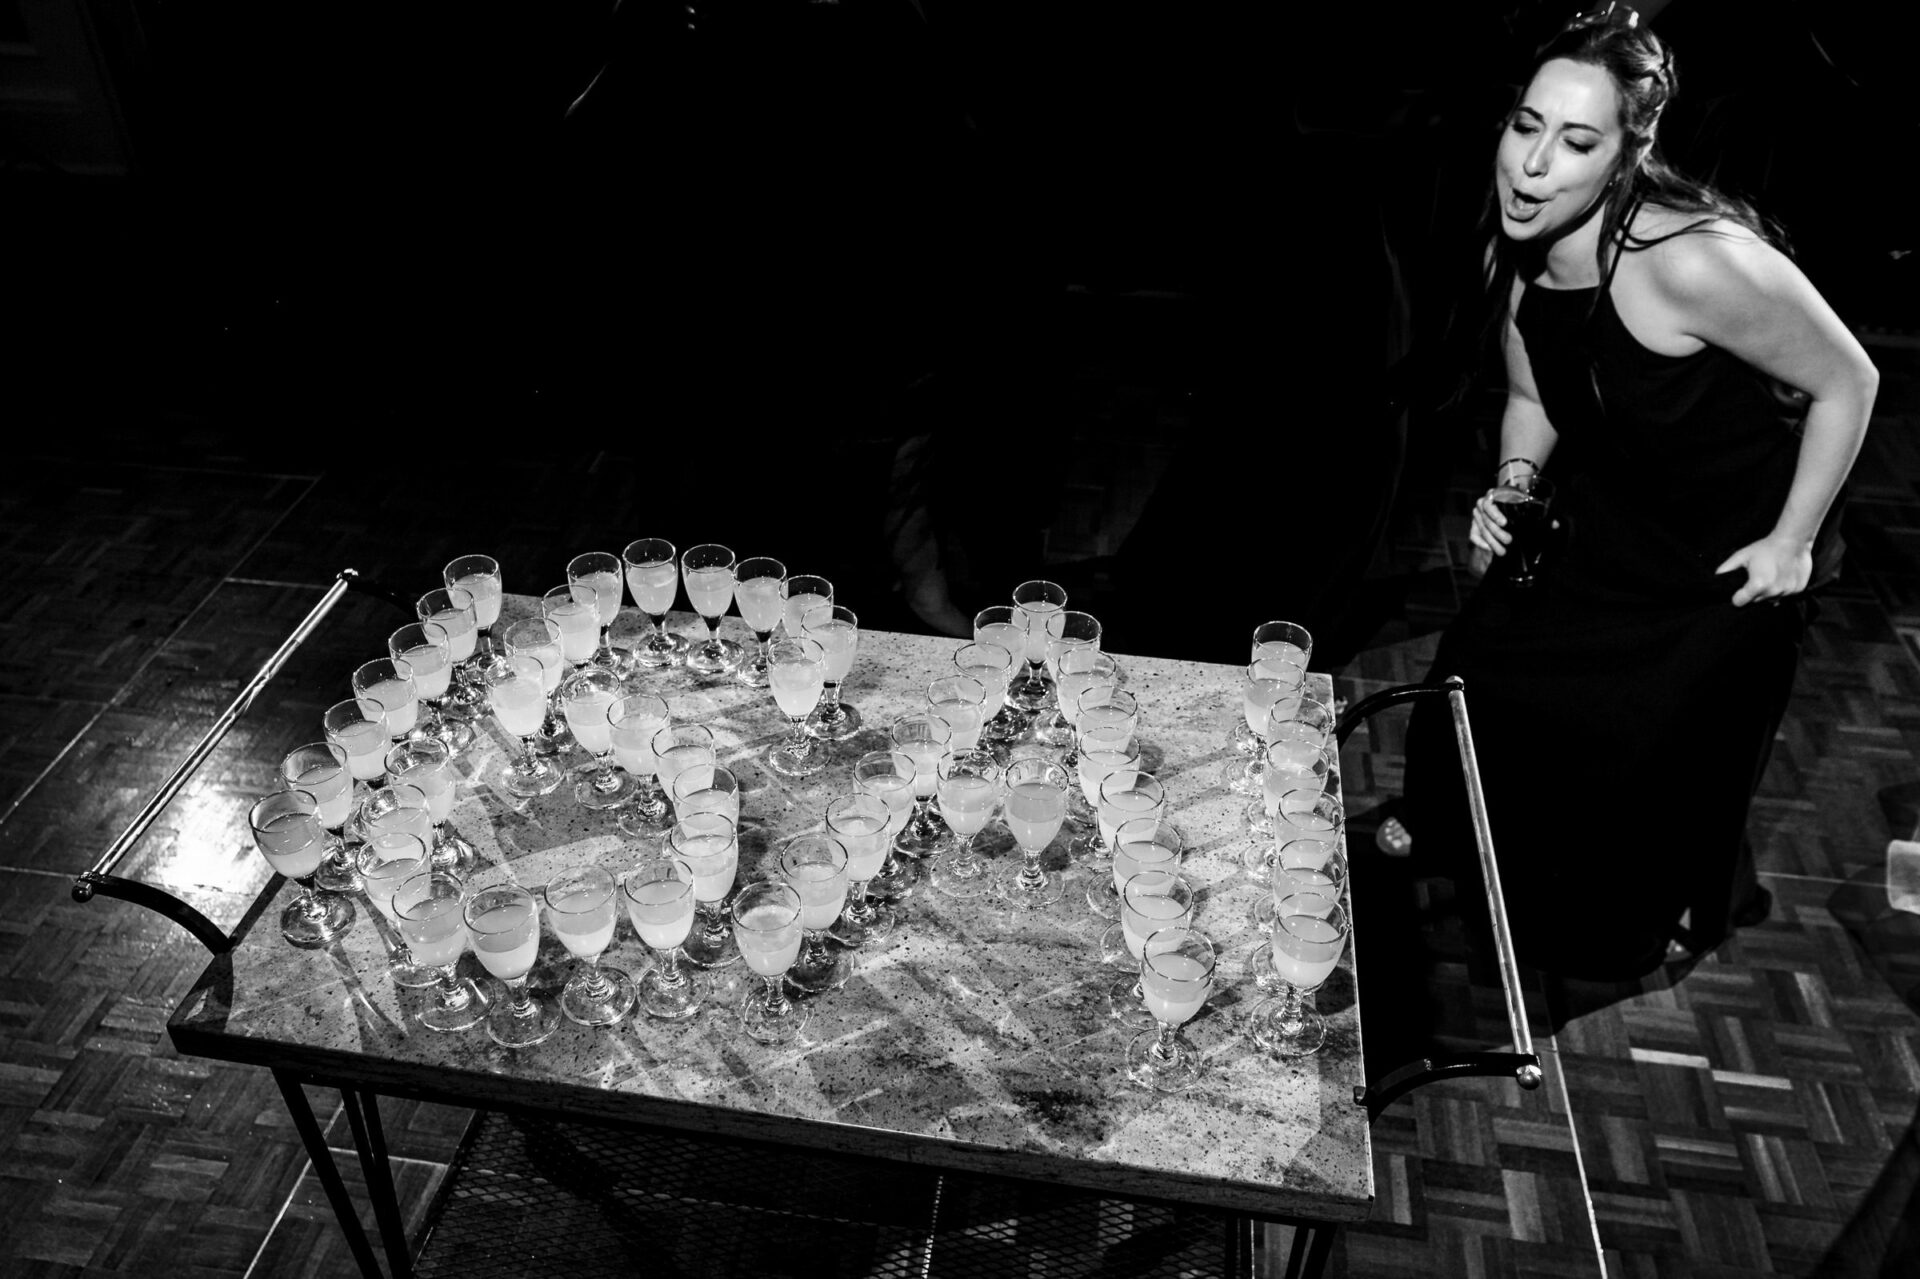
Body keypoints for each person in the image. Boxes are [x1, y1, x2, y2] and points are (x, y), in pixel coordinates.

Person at [1394, 3, 1878, 981]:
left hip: (1727, 549)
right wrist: (1515, 485)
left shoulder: (1693, 262)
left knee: (1631, 744)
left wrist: (1792, 541)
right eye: (1525, 127)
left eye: (1577, 143)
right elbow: (1535, 394)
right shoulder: (1521, 246)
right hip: (1617, 506)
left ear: (1628, 152)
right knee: (1481, 664)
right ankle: (1464, 844)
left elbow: (1850, 381)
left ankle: (1599, 921)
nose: (1534, 166)